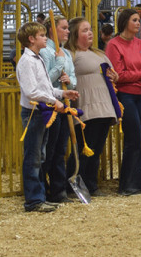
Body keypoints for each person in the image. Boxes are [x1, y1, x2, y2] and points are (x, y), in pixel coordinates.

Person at [15, 22, 79, 212]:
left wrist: (62, 95)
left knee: (41, 155)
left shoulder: (38, 59)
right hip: (34, 112)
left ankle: (39, 196)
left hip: (43, 111)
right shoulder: (26, 61)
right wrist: (53, 101)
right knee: (33, 157)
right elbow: (31, 92)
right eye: (42, 35)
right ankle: (33, 200)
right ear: (31, 39)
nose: (45, 38)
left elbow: (45, 88)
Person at [106, 8, 141, 195]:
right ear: (125, 22)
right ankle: (128, 184)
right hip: (125, 96)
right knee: (133, 138)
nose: (138, 23)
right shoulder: (114, 45)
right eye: (135, 20)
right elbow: (117, 76)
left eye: (139, 20)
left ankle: (135, 181)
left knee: (136, 137)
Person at [65, 17, 119, 196]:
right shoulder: (70, 55)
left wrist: (114, 77)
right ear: (75, 35)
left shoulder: (99, 53)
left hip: (104, 104)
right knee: (82, 147)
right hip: (86, 105)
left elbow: (112, 73)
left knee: (96, 148)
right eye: (84, 30)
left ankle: (91, 184)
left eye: (90, 29)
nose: (90, 33)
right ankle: (73, 184)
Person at [39, 15, 77, 203]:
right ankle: (43, 189)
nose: (68, 31)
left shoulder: (67, 53)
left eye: (68, 27)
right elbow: (46, 80)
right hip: (49, 106)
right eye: (64, 27)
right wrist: (59, 64)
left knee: (61, 149)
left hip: (65, 105)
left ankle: (58, 190)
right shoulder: (45, 51)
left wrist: (70, 81)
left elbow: (73, 77)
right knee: (50, 149)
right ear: (52, 29)